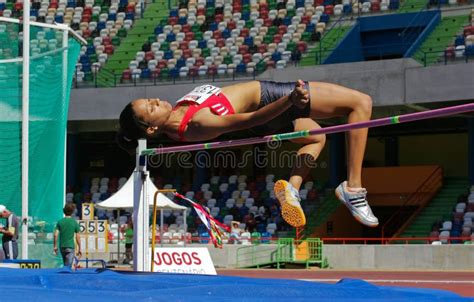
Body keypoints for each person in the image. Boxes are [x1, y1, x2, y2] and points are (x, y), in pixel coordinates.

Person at [117, 80, 378, 229]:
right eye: (151, 108)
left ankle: (292, 188)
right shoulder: (195, 125)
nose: (156, 101)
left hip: (268, 110)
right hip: (269, 101)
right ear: (152, 128)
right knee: (360, 103)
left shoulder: (177, 115)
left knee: (316, 136)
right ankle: (353, 187)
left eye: (150, 99)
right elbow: (248, 120)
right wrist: (289, 101)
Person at [54, 203, 82, 267]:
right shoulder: (74, 222)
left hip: (62, 246)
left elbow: (55, 235)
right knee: (68, 267)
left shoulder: (60, 222)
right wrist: (80, 248)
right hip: (70, 246)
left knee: (65, 265)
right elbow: (78, 237)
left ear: (64, 211)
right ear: (72, 212)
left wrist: (55, 246)